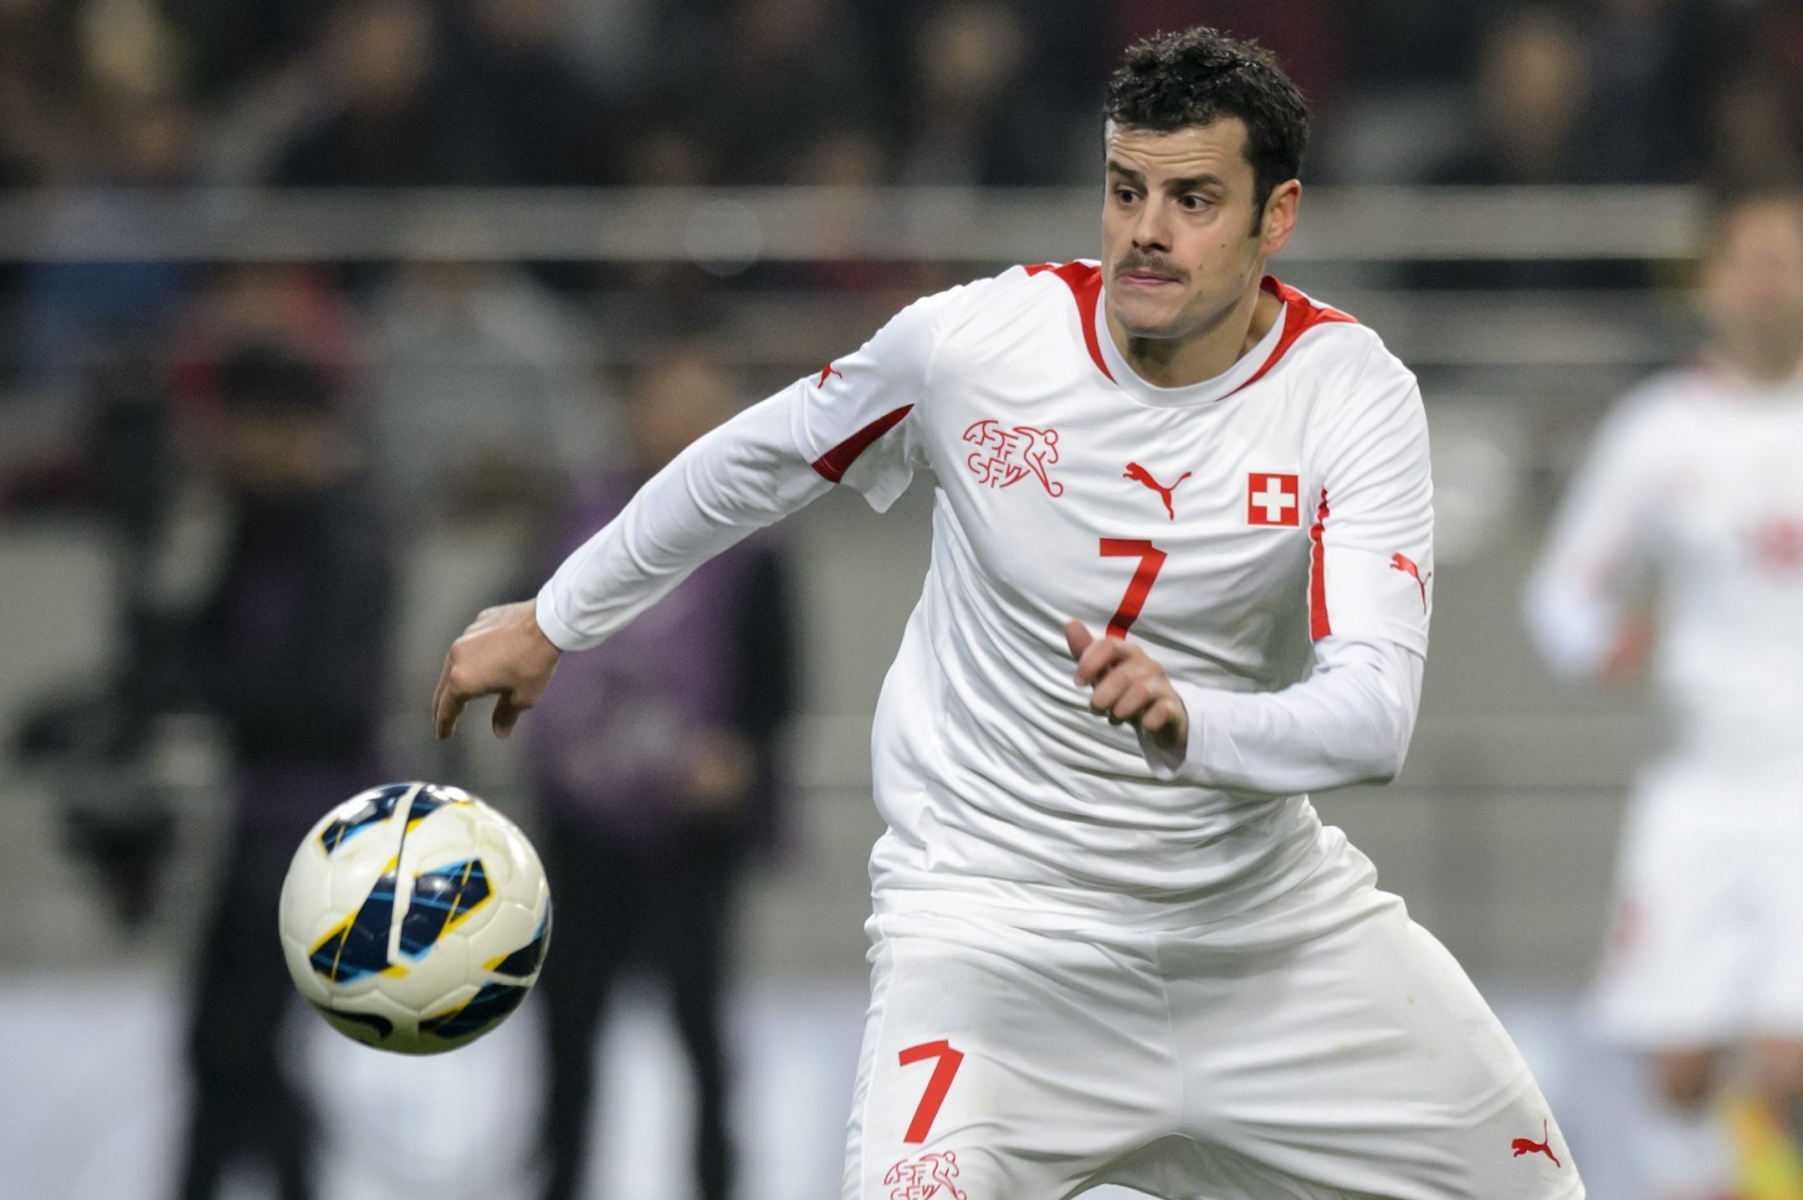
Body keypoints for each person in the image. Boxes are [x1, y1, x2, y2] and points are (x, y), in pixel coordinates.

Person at [435, 27, 1582, 1199]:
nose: (1147, 228)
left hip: (1267, 941)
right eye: (1127, 189)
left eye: (1193, 199)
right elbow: (752, 463)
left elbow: (1374, 715)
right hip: (994, 940)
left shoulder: (1351, 393)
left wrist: (1198, 721)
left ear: (1276, 217)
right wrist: (558, 616)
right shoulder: (974, 347)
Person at [1525, 189, 1803, 1200]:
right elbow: (1559, 590)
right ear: (1711, 281)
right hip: (1698, 782)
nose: (1769, 280)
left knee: (1786, 1062)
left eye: (1787, 258)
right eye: (1751, 260)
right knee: (1679, 1077)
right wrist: (1599, 645)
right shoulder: (1659, 428)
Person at [523, 344, 796, 1200]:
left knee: (700, 1029)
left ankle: (717, 1182)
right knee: (569, 1032)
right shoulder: (578, 523)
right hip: (584, 819)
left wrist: (741, 757)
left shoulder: (755, 542)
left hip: (690, 831)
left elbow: (776, 685)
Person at [175, 344, 393, 1200]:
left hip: (317, 827)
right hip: (259, 814)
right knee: (220, 1039)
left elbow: (319, 695)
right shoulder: (247, 525)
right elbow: (188, 647)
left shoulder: (347, 532)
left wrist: (219, 691)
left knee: (243, 1037)